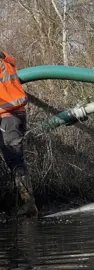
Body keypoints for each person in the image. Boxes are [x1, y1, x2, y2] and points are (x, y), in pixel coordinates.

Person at [0, 51, 37, 217]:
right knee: (16, 159)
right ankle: (26, 203)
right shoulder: (5, 58)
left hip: (7, 115)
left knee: (14, 159)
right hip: (18, 113)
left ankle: (28, 204)